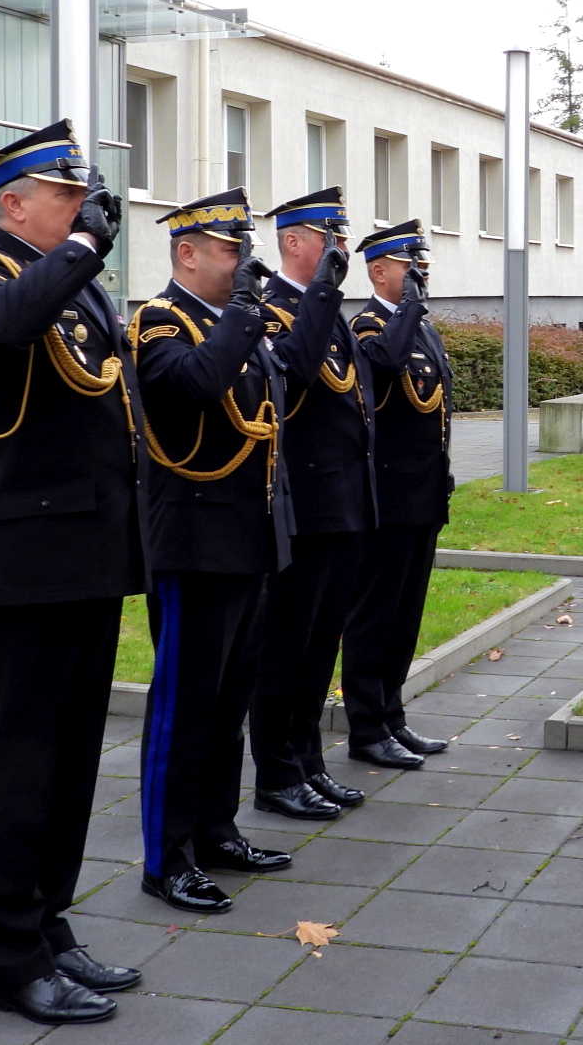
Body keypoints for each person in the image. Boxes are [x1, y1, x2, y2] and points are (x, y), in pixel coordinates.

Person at [0, 120, 145, 1026]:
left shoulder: (69, 281)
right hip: (25, 563)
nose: (83, 209)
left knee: (71, 762)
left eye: (82, 198)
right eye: (66, 197)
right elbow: (2, 329)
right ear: (14, 204)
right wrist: (84, 250)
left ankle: (48, 924)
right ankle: (10, 958)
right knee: (22, 765)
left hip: (88, 554)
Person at [126, 187, 295, 914]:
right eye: (232, 249)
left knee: (229, 705)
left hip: (246, 537)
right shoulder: (160, 322)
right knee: (184, 708)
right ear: (187, 253)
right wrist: (247, 315)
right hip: (192, 544)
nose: (244, 261)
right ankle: (166, 860)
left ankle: (216, 831)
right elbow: (193, 388)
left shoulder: (235, 322)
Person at [248, 188, 375, 819]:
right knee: (285, 648)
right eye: (330, 237)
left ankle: (308, 762)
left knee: (321, 644)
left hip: (342, 505)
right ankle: (276, 773)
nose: (340, 250)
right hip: (304, 508)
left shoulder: (325, 309)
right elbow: (295, 377)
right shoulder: (272, 311)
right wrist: (323, 292)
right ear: (294, 241)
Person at [343, 219, 454, 770]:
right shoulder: (366, 326)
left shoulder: (421, 327)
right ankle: (366, 727)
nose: (420, 277)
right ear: (379, 271)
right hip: (387, 500)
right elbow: (384, 366)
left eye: (422, 268)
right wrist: (408, 309)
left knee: (405, 618)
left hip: (423, 497)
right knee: (376, 617)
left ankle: (392, 716)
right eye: (411, 268)